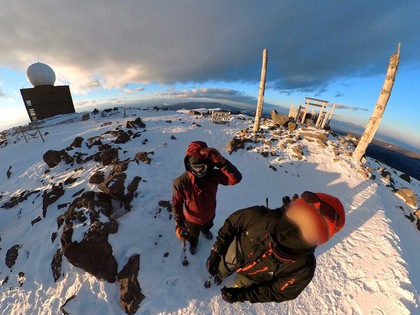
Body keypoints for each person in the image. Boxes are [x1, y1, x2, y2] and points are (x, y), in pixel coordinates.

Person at [206, 191, 345, 303]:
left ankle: (234, 282)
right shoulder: (259, 217)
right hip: (235, 254)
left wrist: (243, 295)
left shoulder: (302, 269)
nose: (296, 227)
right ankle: (220, 274)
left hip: (254, 278)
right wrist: (216, 251)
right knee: (224, 267)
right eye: (299, 214)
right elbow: (232, 224)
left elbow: (277, 292)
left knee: (242, 283)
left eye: (308, 228)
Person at [172, 141, 242, 254]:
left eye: (202, 167)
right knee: (193, 235)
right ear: (189, 166)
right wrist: (179, 224)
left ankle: (206, 231)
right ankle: (193, 244)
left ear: (208, 165)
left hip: (210, 214)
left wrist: (222, 162)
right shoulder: (180, 182)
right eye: (196, 167)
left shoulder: (213, 175)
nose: (199, 171)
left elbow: (235, 179)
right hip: (191, 219)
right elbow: (176, 204)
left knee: (207, 226)